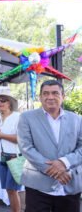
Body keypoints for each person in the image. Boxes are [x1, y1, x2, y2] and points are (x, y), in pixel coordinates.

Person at [18, 80, 82, 212]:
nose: (50, 97)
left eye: (55, 93)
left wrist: (64, 163)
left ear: (63, 96)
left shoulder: (77, 119)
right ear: (40, 97)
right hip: (38, 185)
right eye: (45, 93)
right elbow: (26, 147)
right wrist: (54, 170)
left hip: (70, 183)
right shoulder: (26, 117)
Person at [0, 86, 22, 212]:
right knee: (8, 189)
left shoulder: (18, 117)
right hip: (0, 157)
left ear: (10, 103)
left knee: (12, 190)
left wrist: (1, 135)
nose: (0, 103)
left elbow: (21, 139)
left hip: (15, 157)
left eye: (3, 100)